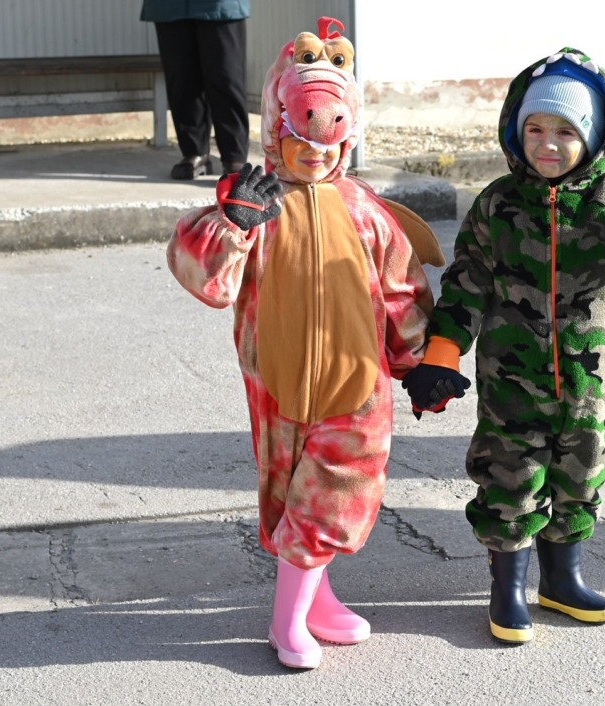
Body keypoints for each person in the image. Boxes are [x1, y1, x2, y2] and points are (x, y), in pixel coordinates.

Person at [166, 18, 440, 669]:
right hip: (278, 382)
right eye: (300, 137)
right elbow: (204, 276)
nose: (315, 153)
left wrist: (418, 361)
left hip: (358, 385)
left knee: (337, 494)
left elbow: (400, 288)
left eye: (330, 140)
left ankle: (290, 616)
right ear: (275, 129)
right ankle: (312, 601)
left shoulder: (366, 211)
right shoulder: (257, 204)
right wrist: (233, 226)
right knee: (294, 495)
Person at [402, 48, 605, 644]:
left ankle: (562, 579)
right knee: (511, 479)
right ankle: (507, 588)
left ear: (594, 137)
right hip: (512, 386)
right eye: (536, 129)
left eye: (566, 132)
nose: (548, 144)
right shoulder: (497, 204)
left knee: (581, 477)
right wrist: (441, 355)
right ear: (515, 129)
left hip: (588, 386)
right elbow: (466, 285)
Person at [140, 0, 251, 179]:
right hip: (169, 6)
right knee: (181, 78)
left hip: (219, 6)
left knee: (226, 77)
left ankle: (234, 156)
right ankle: (195, 152)